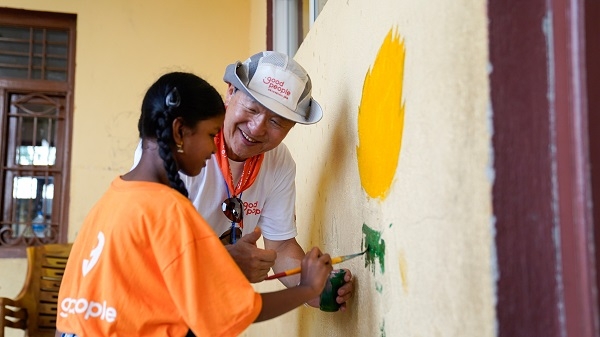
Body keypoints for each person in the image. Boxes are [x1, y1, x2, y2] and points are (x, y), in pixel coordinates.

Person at [56, 72, 333, 337]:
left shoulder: (113, 199)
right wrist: (307, 288)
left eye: (276, 121)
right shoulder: (170, 210)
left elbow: (69, 309)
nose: (214, 148)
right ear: (179, 132)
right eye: (210, 134)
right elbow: (233, 312)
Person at [133, 51, 354, 310]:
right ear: (230, 93)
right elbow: (151, 249)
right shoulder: (179, 145)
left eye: (276, 121)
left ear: (292, 128)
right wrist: (224, 261)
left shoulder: (279, 162)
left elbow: (281, 246)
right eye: (252, 108)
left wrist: (311, 288)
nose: (258, 127)